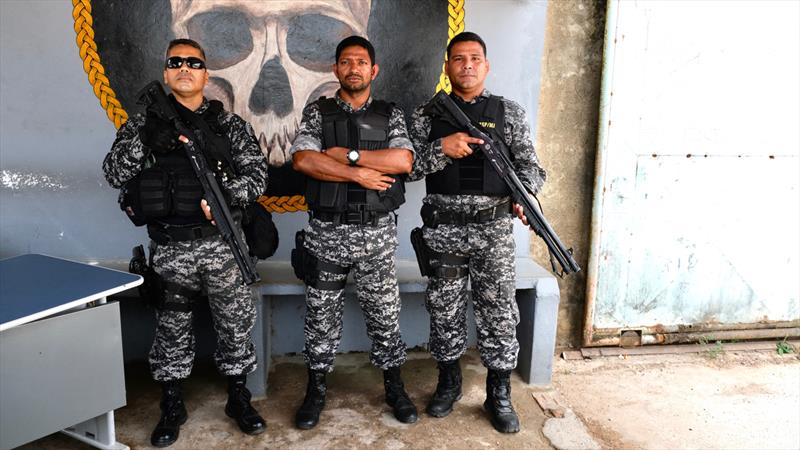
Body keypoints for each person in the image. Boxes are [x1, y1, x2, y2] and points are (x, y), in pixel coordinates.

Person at [102, 38, 268, 447]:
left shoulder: (228, 126)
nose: (185, 68)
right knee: (171, 330)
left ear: (205, 74)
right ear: (166, 73)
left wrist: (226, 195)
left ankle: (238, 396)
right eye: (176, 62)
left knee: (234, 326)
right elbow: (113, 172)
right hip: (170, 248)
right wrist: (148, 136)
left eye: (193, 63)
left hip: (222, 245)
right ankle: (172, 403)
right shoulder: (143, 125)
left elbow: (258, 178)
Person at [407, 31, 547, 433]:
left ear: (486, 65)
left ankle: (498, 393)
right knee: (444, 309)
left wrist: (524, 194)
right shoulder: (427, 115)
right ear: (447, 66)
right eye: (458, 58)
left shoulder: (509, 113)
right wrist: (441, 148)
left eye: (474, 58)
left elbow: (531, 168)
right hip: (444, 232)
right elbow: (408, 167)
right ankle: (448, 384)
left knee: (499, 312)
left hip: (493, 232)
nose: (466, 65)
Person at [289, 35, 417, 429]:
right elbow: (303, 160)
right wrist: (357, 174)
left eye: (361, 62)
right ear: (336, 70)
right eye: (346, 62)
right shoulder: (318, 113)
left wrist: (350, 155)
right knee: (320, 317)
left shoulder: (390, 113)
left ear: (373, 70)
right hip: (326, 233)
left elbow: (403, 160)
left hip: (376, 234)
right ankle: (316, 389)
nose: (354, 68)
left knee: (384, 316)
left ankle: (394, 386)